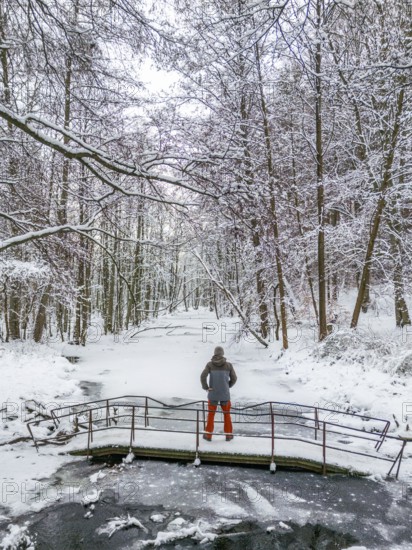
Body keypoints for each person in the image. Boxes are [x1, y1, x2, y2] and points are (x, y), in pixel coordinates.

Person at [200, 346, 237, 441]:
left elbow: (202, 376)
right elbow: (234, 378)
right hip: (225, 394)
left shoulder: (210, 364)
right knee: (227, 414)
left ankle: (208, 435)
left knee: (211, 415)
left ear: (215, 353)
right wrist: (227, 386)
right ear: (222, 353)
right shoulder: (228, 365)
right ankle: (228, 435)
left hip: (213, 394)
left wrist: (206, 387)